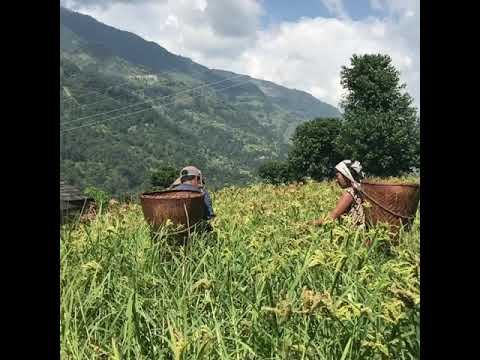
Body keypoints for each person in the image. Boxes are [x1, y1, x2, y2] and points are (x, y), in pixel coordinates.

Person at [311, 160, 365, 226]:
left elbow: (330, 218)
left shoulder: (349, 193)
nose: (336, 180)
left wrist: (309, 224)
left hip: (351, 232)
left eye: (337, 176)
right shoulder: (357, 190)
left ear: (346, 175)